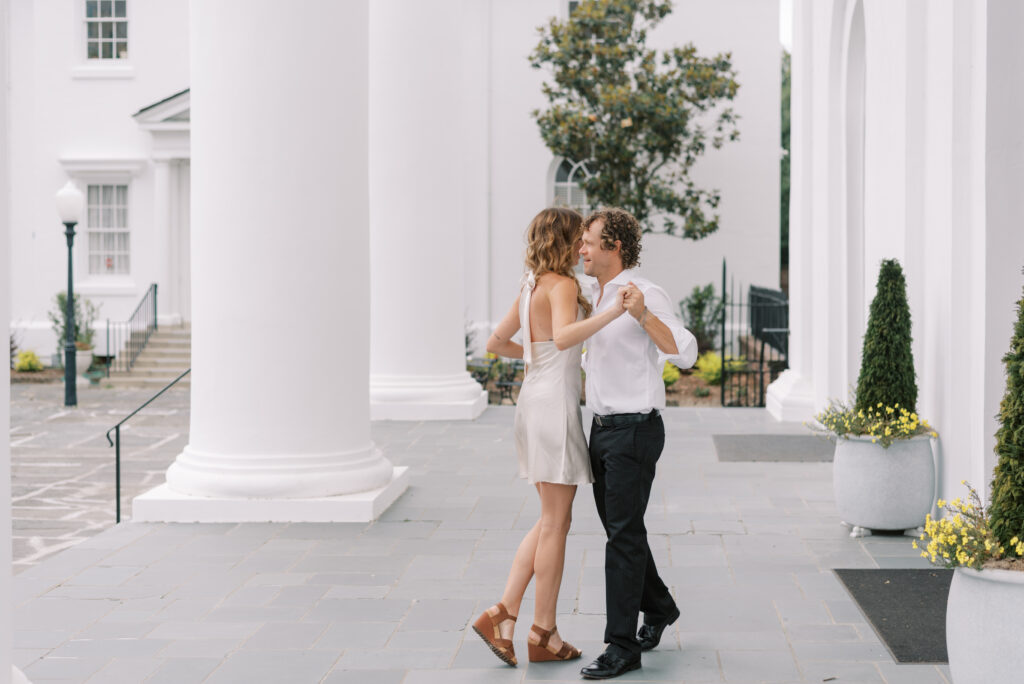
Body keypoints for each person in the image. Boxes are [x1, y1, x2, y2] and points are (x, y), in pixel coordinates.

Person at [471, 207, 629, 667]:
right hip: (553, 408)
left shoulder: (530, 285)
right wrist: (612, 313)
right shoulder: (560, 286)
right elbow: (563, 339)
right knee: (557, 524)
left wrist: (536, 356)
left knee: (548, 519)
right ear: (563, 240)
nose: (583, 246)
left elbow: (496, 343)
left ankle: (504, 614)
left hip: (531, 401)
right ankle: (543, 632)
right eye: (578, 238)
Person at [577, 208, 699, 680]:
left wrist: (643, 315)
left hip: (634, 430)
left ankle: (621, 645)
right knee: (621, 532)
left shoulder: (645, 293)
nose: (581, 250)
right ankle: (661, 607)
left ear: (615, 248)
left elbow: (684, 353)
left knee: (623, 536)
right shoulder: (594, 294)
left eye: (589, 242)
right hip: (602, 429)